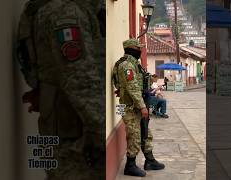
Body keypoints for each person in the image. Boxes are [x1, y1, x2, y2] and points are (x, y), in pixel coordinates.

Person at [17, 0, 105, 179]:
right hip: (76, 142)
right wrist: (104, 133)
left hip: (70, 135)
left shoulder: (68, 9)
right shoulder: (66, 13)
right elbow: (81, 81)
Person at [112, 39, 165, 177]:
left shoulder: (134, 65)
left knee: (146, 132)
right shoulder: (126, 65)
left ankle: (150, 160)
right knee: (134, 135)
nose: (140, 50)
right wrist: (142, 107)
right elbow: (133, 87)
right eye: (138, 48)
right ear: (131, 49)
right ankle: (130, 165)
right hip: (129, 107)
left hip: (136, 104)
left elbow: (124, 84)